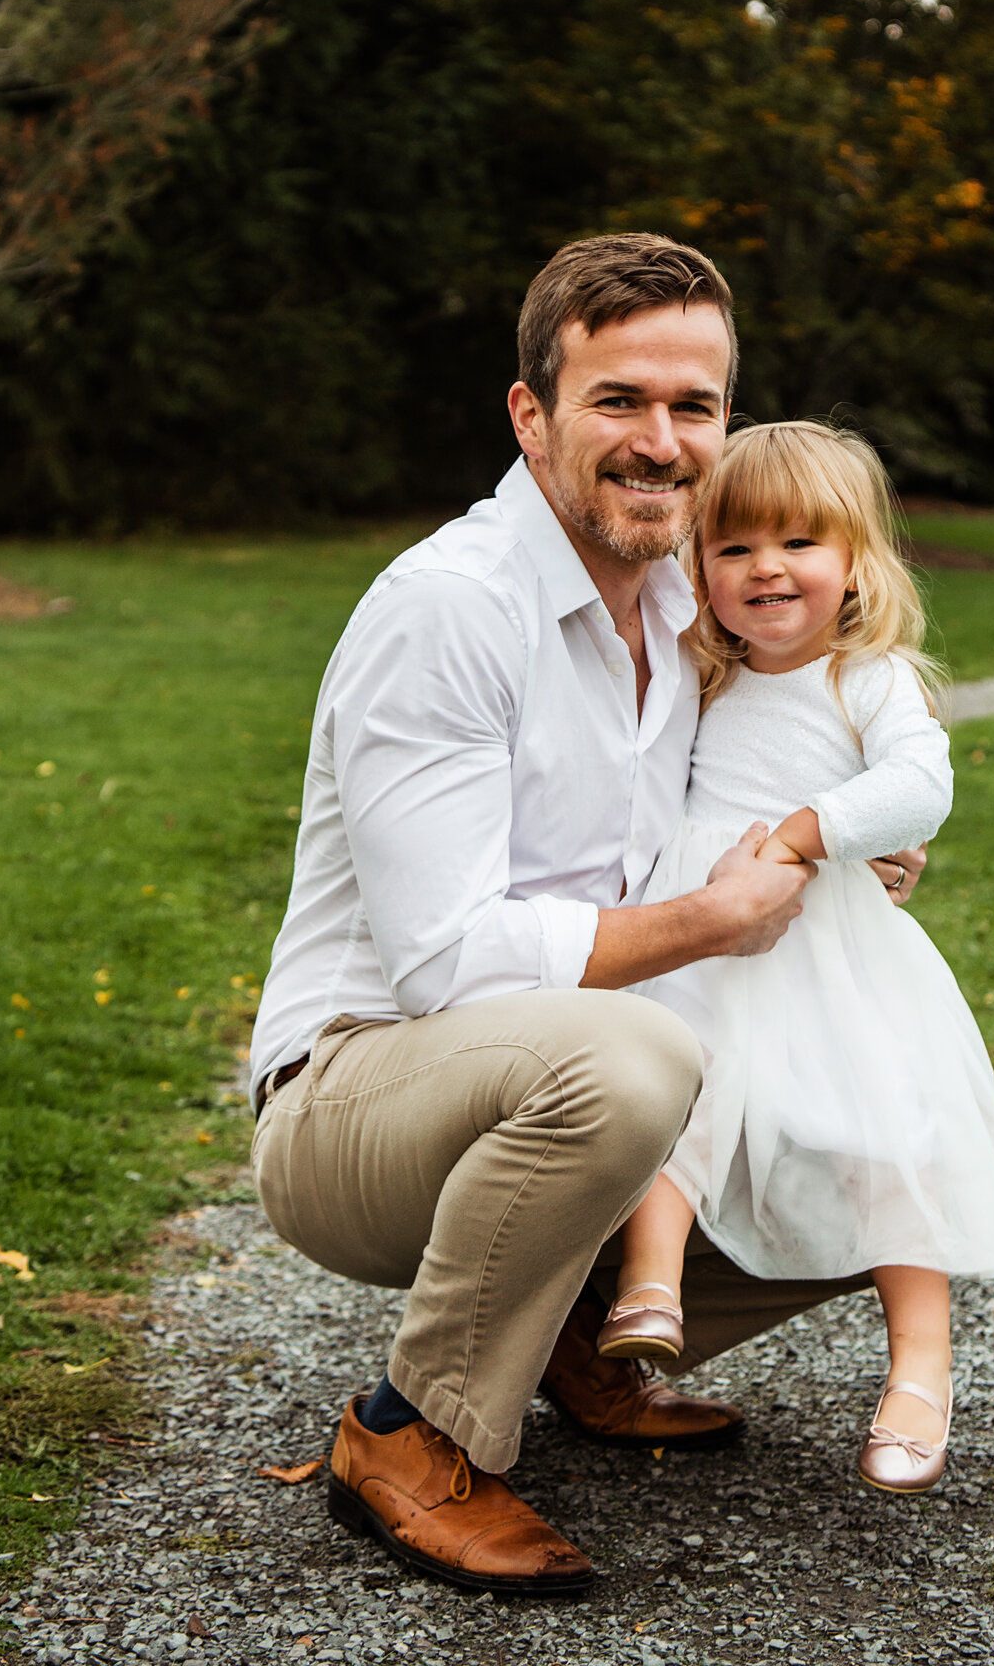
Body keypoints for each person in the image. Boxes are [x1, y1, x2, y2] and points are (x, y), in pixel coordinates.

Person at [247, 235, 925, 1595]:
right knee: (640, 1058)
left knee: (884, 1124)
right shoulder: (450, 610)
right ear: (530, 413)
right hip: (355, 1098)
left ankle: (569, 1336)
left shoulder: (691, 596)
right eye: (617, 400)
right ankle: (411, 1435)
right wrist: (707, 921)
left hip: (562, 1080)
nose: (659, 442)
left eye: (693, 407)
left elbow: (800, 769)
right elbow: (447, 963)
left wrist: (847, 858)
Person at [597, 422, 994, 1494]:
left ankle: (919, 1372)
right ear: (698, 566)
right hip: (702, 933)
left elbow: (917, 786)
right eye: (735, 546)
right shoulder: (699, 673)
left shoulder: (868, 678)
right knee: (678, 1092)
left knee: (880, 1134)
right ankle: (647, 1288)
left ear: (855, 562)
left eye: (799, 541)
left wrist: (810, 832)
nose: (766, 568)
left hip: (828, 951)